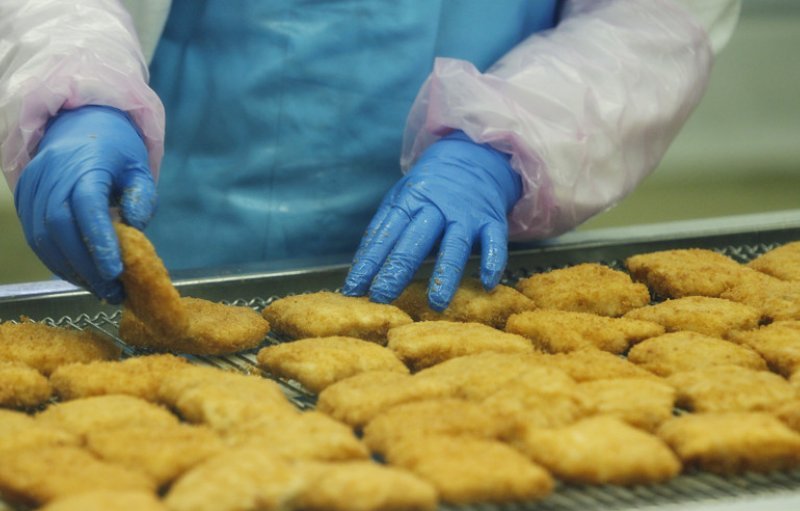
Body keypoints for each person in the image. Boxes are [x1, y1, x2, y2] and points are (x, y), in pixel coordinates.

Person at [0, 0, 740, 309]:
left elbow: (653, 18)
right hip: (183, 240)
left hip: (472, 259)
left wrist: (510, 141)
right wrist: (77, 91)